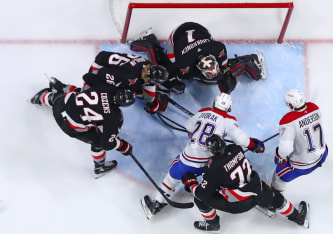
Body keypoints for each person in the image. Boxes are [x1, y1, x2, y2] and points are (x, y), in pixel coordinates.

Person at [140, 92, 265, 219]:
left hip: (188, 160)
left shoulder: (203, 111)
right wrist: (253, 145)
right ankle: (245, 195)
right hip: (209, 165)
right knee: (224, 175)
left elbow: (188, 126)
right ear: (228, 108)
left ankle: (157, 204)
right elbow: (241, 139)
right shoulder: (229, 120)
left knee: (172, 177)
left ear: (214, 102)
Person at [180, 134, 310, 232]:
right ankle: (298, 217)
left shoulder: (212, 167)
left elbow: (203, 194)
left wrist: (190, 183)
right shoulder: (235, 148)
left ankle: (212, 223)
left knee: (200, 199)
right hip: (257, 189)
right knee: (276, 198)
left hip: (239, 204)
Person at [30, 80, 135, 177]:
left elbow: (87, 83)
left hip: (60, 105)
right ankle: (100, 166)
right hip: (68, 125)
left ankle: (40, 97)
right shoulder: (115, 117)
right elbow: (107, 144)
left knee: (69, 96)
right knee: (99, 142)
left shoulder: (105, 87)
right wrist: (123, 146)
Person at [130, 22, 266, 95]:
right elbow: (168, 75)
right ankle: (150, 42)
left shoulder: (218, 49)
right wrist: (169, 83)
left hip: (200, 30)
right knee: (167, 76)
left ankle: (250, 61)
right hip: (177, 36)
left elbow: (224, 69)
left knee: (223, 73)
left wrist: (225, 74)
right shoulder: (184, 65)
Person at [272, 89, 329, 192]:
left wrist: (279, 156)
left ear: (291, 105)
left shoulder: (288, 121)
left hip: (304, 165)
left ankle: (275, 198)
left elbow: (285, 149)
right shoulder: (314, 107)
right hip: (322, 155)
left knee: (278, 176)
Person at [81, 51, 170, 114]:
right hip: (99, 67)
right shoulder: (126, 77)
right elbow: (101, 74)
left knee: (136, 89)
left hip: (107, 60)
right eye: (147, 72)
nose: (146, 72)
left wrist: (151, 101)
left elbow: (148, 83)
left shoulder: (147, 63)